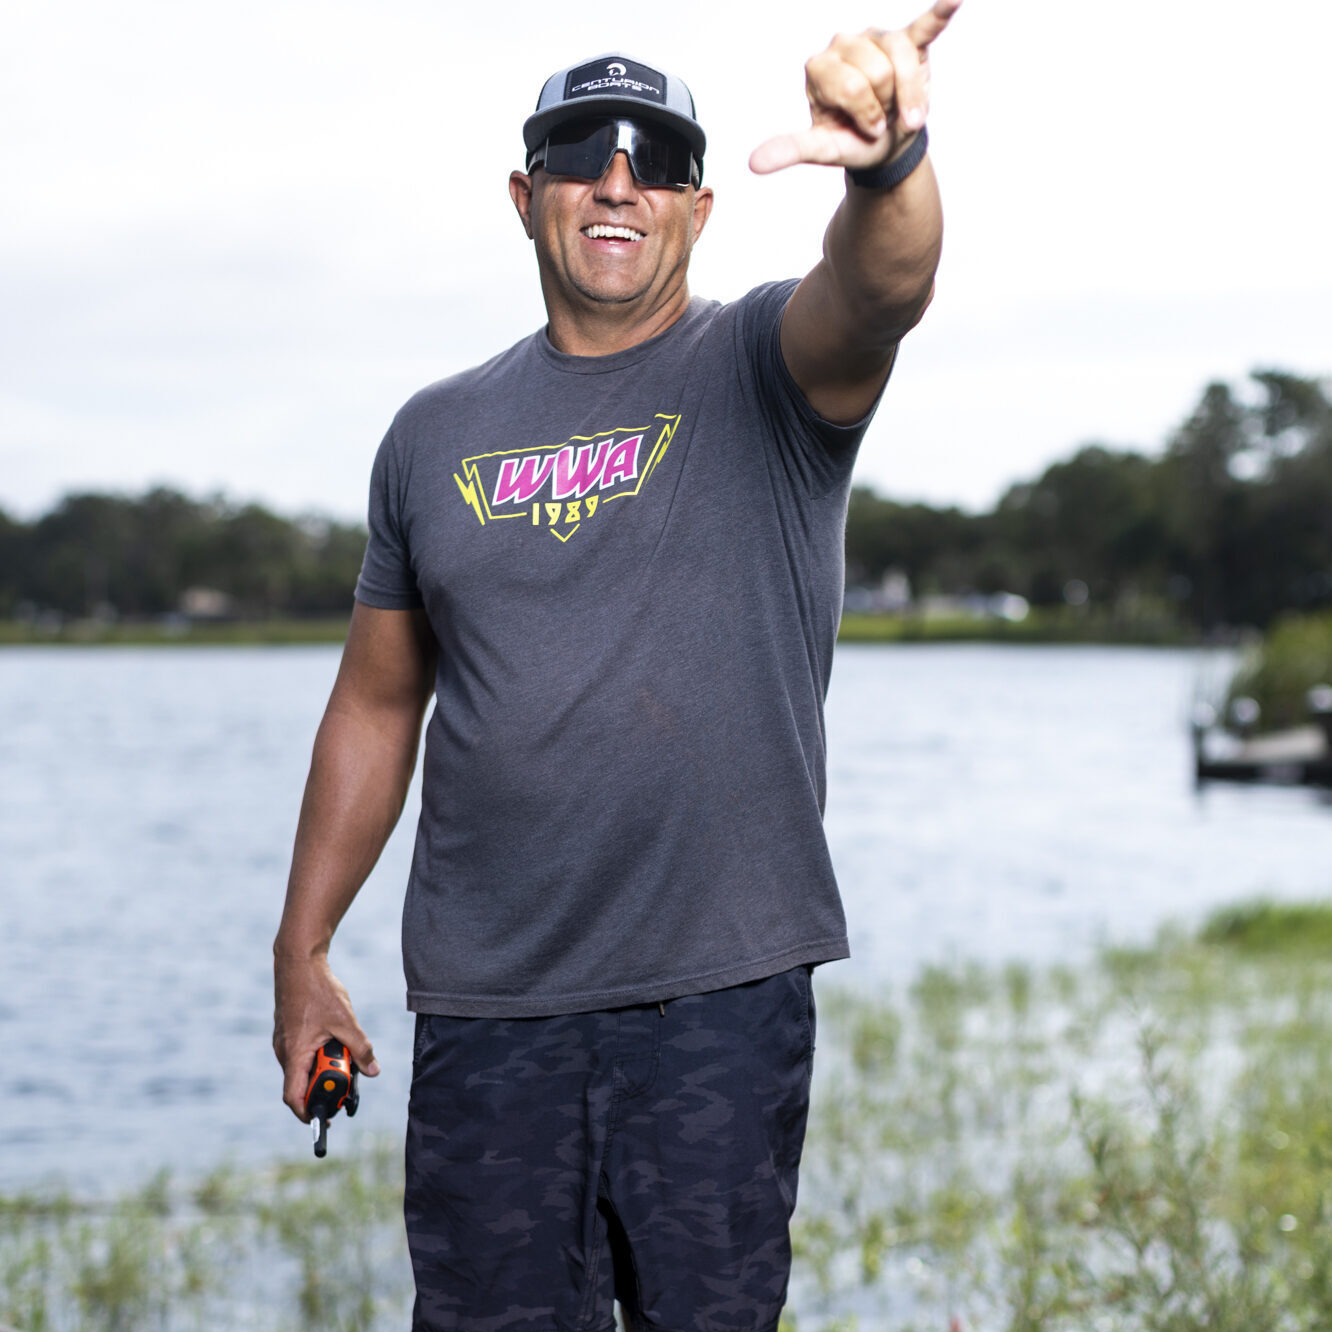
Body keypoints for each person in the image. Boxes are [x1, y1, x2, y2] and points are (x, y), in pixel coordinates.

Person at [273, 8, 960, 1329]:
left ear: (700, 205)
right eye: (582, 149)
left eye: (654, 157)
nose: (618, 179)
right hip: (488, 1012)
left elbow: (884, 288)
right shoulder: (431, 435)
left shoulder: (764, 368)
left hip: (715, 1003)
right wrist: (302, 954)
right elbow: (373, 704)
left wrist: (888, 165)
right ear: (528, 194)